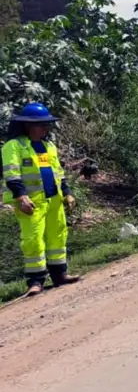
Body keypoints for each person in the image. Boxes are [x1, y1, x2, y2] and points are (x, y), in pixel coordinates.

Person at [2, 103, 79, 296]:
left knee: (57, 236)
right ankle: (35, 281)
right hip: (31, 202)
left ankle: (60, 275)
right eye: (41, 124)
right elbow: (12, 175)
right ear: (28, 125)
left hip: (53, 200)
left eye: (47, 124)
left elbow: (58, 173)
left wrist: (67, 192)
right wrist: (21, 196)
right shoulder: (14, 146)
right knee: (33, 240)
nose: (46, 128)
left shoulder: (48, 146)